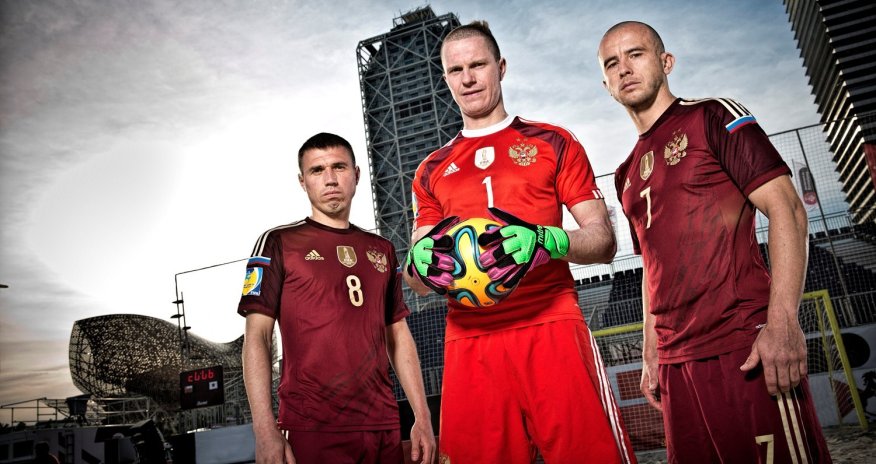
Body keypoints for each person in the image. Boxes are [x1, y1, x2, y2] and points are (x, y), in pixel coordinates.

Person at [598, 21, 832, 463]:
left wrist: (783, 322)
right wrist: (652, 352)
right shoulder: (626, 171)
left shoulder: (712, 116)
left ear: (666, 62)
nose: (624, 68)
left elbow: (787, 208)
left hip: (741, 343)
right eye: (612, 63)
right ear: (606, 84)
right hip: (676, 363)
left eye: (636, 54)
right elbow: (652, 266)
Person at [405, 21, 636, 463]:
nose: (468, 79)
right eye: (456, 70)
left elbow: (603, 241)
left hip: (551, 324)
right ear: (445, 78)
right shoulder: (431, 169)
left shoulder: (553, 141)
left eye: (478, 65)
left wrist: (544, 240)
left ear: (501, 67)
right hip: (470, 340)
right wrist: (419, 263)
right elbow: (417, 278)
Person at [239, 133, 435, 464]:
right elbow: (257, 336)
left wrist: (422, 416)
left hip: (382, 424)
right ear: (302, 181)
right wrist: (263, 428)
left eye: (339, 167)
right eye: (317, 170)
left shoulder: (382, 249)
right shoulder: (278, 242)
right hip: (312, 427)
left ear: (356, 175)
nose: (330, 179)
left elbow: (398, 334)